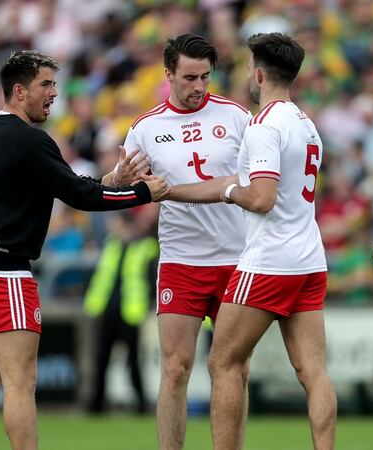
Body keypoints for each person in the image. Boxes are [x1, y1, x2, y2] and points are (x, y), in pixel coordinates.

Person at [0, 50, 168, 450]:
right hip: (2, 271)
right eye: (45, 85)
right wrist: (140, 193)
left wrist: (113, 180)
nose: (54, 93)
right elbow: (79, 196)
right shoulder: (30, 139)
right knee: (20, 383)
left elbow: (69, 184)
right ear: (18, 91)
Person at [114, 34, 252, 450]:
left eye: (205, 77)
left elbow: (259, 180)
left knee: (234, 369)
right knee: (175, 369)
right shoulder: (146, 128)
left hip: (235, 259)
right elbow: (114, 187)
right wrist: (117, 182)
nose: (198, 86)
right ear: (169, 74)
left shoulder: (236, 117)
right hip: (181, 261)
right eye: (190, 77)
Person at [208, 32, 336, 450]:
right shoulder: (305, 122)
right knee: (314, 374)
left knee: (223, 361)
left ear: (259, 73)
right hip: (309, 260)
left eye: (248, 66)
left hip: (269, 262)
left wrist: (229, 193)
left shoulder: (263, 124)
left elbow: (260, 198)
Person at [84, 206, 159, 415]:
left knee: (133, 361)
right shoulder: (112, 245)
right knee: (101, 359)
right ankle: (96, 404)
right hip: (107, 310)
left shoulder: (146, 246)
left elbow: (151, 279)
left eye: (114, 222)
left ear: (123, 223)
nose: (110, 226)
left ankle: (141, 404)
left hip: (130, 312)